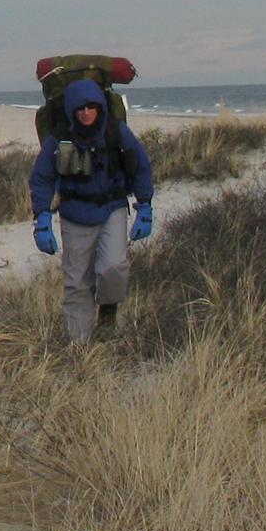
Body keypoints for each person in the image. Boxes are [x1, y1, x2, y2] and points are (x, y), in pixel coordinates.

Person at [29, 78, 156, 344]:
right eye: (80, 108)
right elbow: (41, 177)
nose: (86, 112)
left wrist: (144, 205)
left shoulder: (115, 132)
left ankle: (108, 313)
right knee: (77, 282)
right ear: (71, 110)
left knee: (114, 266)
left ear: (100, 107)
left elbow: (141, 164)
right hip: (74, 213)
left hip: (112, 209)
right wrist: (42, 218)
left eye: (91, 106)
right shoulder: (59, 138)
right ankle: (79, 344)